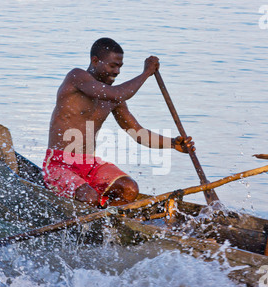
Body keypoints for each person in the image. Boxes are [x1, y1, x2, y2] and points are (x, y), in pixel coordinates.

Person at [44, 37, 193, 208]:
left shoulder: (114, 97)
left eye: (120, 67)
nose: (117, 72)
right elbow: (116, 93)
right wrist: (146, 73)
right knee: (89, 198)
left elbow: (138, 133)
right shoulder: (77, 77)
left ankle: (108, 219)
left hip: (90, 165)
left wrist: (173, 143)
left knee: (129, 189)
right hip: (60, 165)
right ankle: (97, 210)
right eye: (112, 65)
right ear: (95, 61)